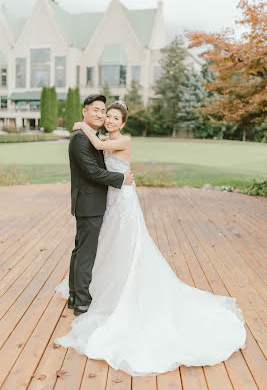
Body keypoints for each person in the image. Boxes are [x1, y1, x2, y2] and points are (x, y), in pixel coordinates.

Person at [55, 99, 246, 376]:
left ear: (123, 123)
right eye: (106, 115)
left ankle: (94, 294)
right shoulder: (95, 137)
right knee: (97, 246)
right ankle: (84, 294)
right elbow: (96, 162)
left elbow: (99, 152)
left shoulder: (117, 139)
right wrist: (86, 128)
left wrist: (82, 125)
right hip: (106, 199)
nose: (108, 120)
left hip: (121, 198)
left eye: (114, 117)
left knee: (118, 243)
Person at [59, 94, 134, 317]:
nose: (101, 115)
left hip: (97, 201)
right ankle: (82, 302)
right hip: (90, 202)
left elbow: (101, 151)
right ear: (85, 111)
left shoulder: (93, 136)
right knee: (86, 253)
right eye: (97, 110)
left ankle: (75, 295)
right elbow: (92, 172)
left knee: (81, 250)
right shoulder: (81, 138)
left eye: (104, 111)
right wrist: (121, 179)